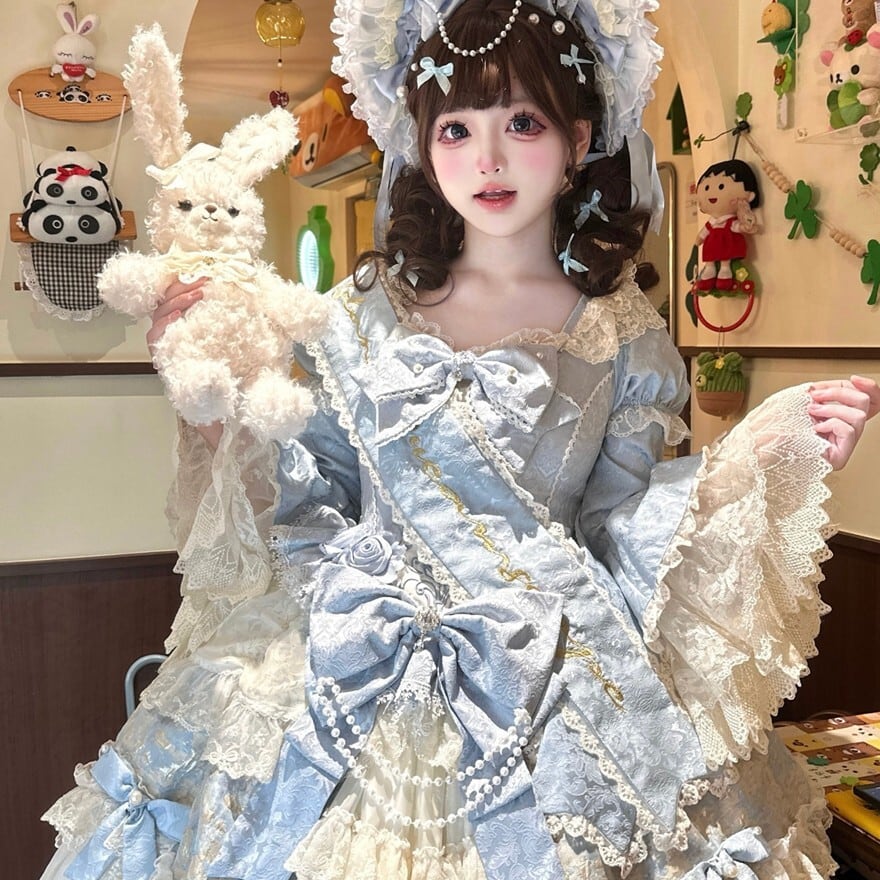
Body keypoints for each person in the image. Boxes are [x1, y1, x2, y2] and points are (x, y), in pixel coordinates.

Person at [40, 1, 880, 879]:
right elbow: (304, 502)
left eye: (522, 122)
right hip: (350, 649)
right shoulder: (356, 317)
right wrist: (215, 404)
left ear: (579, 137)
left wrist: (768, 460)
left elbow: (621, 527)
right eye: (456, 128)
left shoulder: (624, 337)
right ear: (422, 141)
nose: (488, 159)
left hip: (554, 673)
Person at [694, 159, 761, 290]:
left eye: (721, 187)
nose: (712, 194)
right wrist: (699, 239)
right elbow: (704, 231)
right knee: (710, 260)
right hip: (712, 246)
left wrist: (745, 227)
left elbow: (736, 227)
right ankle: (709, 270)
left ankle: (725, 271)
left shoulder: (730, 221)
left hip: (726, 245)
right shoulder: (712, 222)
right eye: (706, 188)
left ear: (749, 195)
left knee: (725, 260)